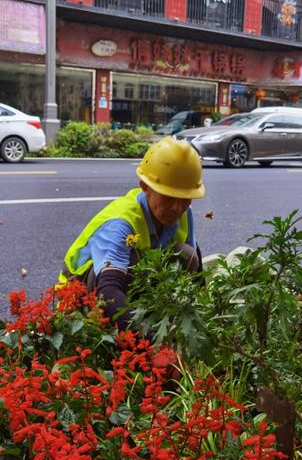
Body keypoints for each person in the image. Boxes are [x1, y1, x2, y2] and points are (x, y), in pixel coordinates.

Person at [59, 136, 205, 331]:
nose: (177, 208)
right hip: (81, 295)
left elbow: (196, 266)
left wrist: (203, 319)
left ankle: (149, 318)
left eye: (185, 198)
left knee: (187, 255)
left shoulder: (183, 213)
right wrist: (150, 340)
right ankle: (122, 330)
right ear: (145, 187)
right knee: (132, 261)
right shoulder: (120, 223)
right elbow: (108, 290)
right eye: (169, 197)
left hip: (134, 286)